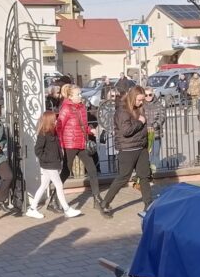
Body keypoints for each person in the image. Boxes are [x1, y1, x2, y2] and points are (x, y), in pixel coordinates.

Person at [99, 86, 154, 219]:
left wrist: (146, 146)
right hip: (127, 149)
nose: (141, 102)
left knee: (144, 176)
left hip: (140, 148)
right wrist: (140, 122)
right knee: (123, 177)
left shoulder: (139, 109)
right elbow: (126, 131)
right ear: (132, 97)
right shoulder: (123, 111)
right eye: (139, 100)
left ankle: (149, 205)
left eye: (143, 100)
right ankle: (105, 203)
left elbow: (142, 131)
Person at [25, 111, 82, 219]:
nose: (56, 121)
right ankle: (67, 209)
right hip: (48, 165)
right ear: (49, 121)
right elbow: (38, 150)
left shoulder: (53, 133)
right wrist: (47, 159)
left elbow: (56, 148)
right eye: (54, 120)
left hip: (51, 164)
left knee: (43, 186)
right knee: (59, 185)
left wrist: (59, 158)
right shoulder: (43, 134)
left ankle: (32, 208)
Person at [57, 84, 103, 212]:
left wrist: (90, 130)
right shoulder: (65, 108)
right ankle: (55, 199)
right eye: (78, 94)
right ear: (70, 96)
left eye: (80, 93)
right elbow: (59, 128)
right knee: (66, 172)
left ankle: (97, 198)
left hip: (81, 143)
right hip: (70, 144)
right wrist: (61, 145)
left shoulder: (82, 107)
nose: (80, 96)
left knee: (92, 170)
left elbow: (82, 126)